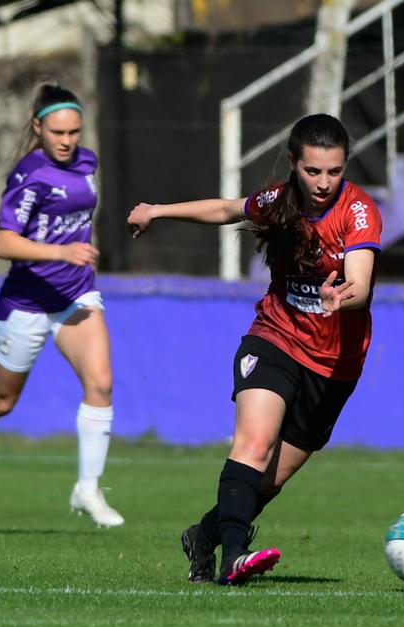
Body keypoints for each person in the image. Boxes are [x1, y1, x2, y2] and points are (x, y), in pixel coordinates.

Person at [126, 113, 382, 585]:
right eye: (312, 171)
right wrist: (157, 210)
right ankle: (234, 559)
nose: (324, 182)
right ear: (293, 163)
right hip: (275, 340)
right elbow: (227, 209)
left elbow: (361, 281)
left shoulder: (359, 211)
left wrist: (344, 295)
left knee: (268, 481)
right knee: (255, 444)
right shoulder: (277, 202)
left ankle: (203, 538)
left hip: (334, 367)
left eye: (334, 171)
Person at [0, 82, 124, 527]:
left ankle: (87, 489)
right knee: (0, 402)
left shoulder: (88, 163)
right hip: (27, 300)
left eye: (74, 131)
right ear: (38, 128)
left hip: (75, 293)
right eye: (57, 131)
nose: (67, 140)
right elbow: (3, 242)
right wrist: (61, 252)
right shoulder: (30, 175)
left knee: (101, 383)